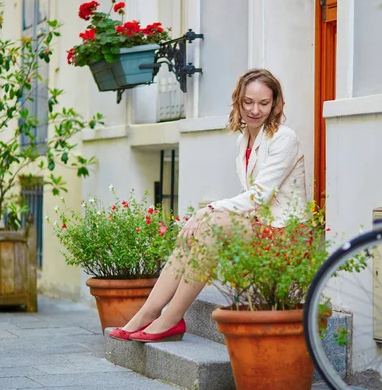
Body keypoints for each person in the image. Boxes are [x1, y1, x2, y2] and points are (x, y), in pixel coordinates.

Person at [109, 68, 308, 342]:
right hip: (260, 227)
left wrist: (210, 210)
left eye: (264, 103)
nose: (255, 110)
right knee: (196, 230)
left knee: (210, 221)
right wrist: (205, 217)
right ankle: (148, 313)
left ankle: (171, 318)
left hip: (284, 235)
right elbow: (249, 198)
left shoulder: (284, 138)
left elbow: (260, 195)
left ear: (275, 104)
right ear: (238, 101)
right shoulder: (244, 139)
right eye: (248, 102)